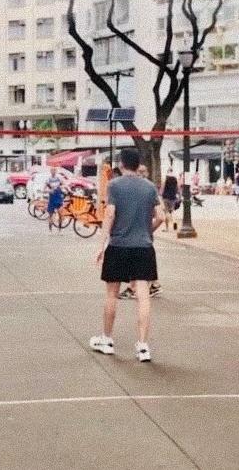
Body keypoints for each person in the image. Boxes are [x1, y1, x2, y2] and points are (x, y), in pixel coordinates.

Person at [90, 148, 165, 363]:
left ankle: (107, 339)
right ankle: (142, 346)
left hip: (119, 246)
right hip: (143, 247)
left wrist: (101, 244)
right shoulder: (150, 187)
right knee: (143, 295)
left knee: (112, 294)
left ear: (122, 164)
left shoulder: (114, 185)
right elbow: (161, 216)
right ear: (137, 164)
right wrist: (147, 230)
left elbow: (110, 214)